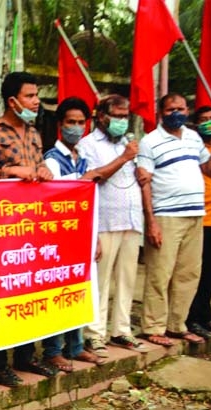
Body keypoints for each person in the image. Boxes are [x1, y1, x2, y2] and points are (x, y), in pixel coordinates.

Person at [0, 71, 57, 387]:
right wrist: (8, 172)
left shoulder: (34, 134)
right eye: (31, 96)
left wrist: (43, 169)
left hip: (31, 227)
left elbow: (38, 166)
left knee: (29, 293)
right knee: (0, 296)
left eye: (36, 96)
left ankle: (25, 356)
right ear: (13, 101)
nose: (36, 102)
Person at [138, 93, 211, 346]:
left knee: (188, 273)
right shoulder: (149, 141)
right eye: (171, 109)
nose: (177, 113)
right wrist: (151, 221)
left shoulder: (194, 137)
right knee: (160, 274)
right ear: (161, 113)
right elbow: (145, 183)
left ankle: (177, 324)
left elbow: (209, 170)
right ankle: (153, 326)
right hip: (166, 215)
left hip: (195, 214)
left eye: (181, 109)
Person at [78, 95, 148, 358]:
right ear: (101, 117)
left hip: (131, 219)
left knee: (127, 278)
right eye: (116, 115)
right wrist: (124, 158)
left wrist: (138, 166)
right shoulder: (89, 144)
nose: (121, 120)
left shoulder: (129, 144)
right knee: (101, 280)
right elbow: (92, 177)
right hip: (105, 220)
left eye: (124, 115)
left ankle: (121, 329)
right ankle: (94, 334)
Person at [39, 97, 105, 372]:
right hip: (57, 238)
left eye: (81, 123)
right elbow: (57, 198)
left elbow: (88, 202)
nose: (76, 128)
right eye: (71, 123)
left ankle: (75, 346)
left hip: (80, 235)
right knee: (57, 293)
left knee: (79, 289)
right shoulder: (52, 161)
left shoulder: (82, 158)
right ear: (60, 124)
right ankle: (53, 350)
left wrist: (95, 236)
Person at [187, 106, 211, 339]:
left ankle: (205, 314)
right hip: (202, 219)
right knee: (198, 274)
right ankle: (192, 317)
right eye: (204, 120)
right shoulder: (194, 150)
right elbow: (209, 171)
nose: (209, 123)